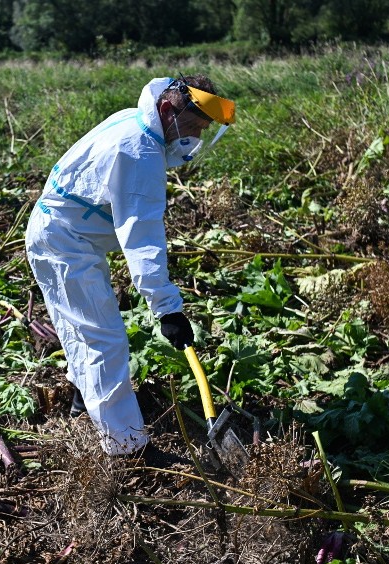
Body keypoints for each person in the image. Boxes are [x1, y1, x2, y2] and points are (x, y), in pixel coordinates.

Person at [25, 75, 236, 457]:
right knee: (105, 340)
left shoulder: (137, 120)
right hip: (63, 242)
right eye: (194, 126)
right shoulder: (139, 152)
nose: (195, 136)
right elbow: (142, 240)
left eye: (204, 129)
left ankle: (80, 400)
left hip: (72, 238)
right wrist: (168, 309)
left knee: (88, 327)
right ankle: (127, 448)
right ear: (170, 109)